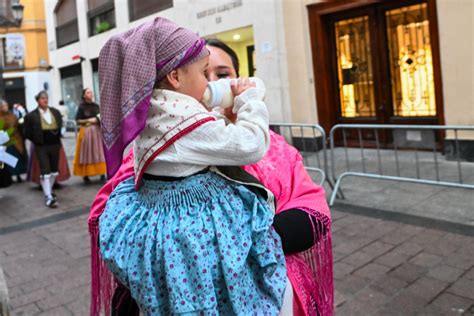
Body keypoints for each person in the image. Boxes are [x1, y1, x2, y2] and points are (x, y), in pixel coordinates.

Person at [89, 38, 333, 316]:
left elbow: (314, 209)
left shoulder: (275, 148)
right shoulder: (157, 148)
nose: (211, 84)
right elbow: (106, 218)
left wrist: (245, 242)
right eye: (204, 74)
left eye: (223, 75)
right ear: (176, 80)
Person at [23, 91, 62, 207]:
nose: (45, 100)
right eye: (42, 98)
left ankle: (49, 191)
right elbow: (27, 132)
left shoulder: (55, 112)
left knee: (54, 171)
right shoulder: (31, 116)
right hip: (41, 146)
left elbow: (60, 126)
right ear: (38, 101)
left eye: (46, 98)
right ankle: (48, 196)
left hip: (55, 144)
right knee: (45, 171)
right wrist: (37, 140)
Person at [72, 88, 106, 183]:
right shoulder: (81, 107)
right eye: (88, 92)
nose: (90, 94)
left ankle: (102, 173)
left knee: (98, 152)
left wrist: (98, 120)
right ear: (84, 95)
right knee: (86, 152)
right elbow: (78, 120)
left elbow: (101, 117)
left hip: (96, 131)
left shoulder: (96, 106)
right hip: (86, 132)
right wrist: (90, 120)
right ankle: (85, 174)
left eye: (91, 92)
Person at [0, 100, 27, 182]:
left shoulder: (12, 115)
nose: (6, 107)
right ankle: (10, 176)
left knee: (18, 159)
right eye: (4, 106)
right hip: (6, 141)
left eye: (6, 105)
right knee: (9, 159)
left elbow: (18, 124)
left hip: (16, 140)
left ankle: (18, 175)